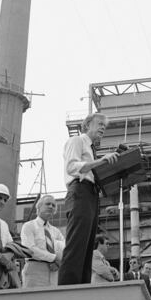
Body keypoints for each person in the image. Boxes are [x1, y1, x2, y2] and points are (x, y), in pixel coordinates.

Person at [60, 113, 121, 285]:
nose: (103, 127)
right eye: (100, 123)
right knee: (77, 243)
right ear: (87, 125)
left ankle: (82, 288)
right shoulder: (77, 141)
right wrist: (101, 161)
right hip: (80, 191)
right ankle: (67, 289)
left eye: (105, 125)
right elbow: (72, 167)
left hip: (91, 195)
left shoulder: (92, 150)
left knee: (87, 248)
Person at [20, 194, 65, 287]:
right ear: (39, 207)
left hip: (54, 271)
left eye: (53, 205)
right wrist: (53, 258)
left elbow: (64, 248)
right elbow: (30, 250)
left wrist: (58, 262)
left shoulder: (56, 231)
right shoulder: (29, 226)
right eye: (48, 204)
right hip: (35, 269)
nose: (51, 207)